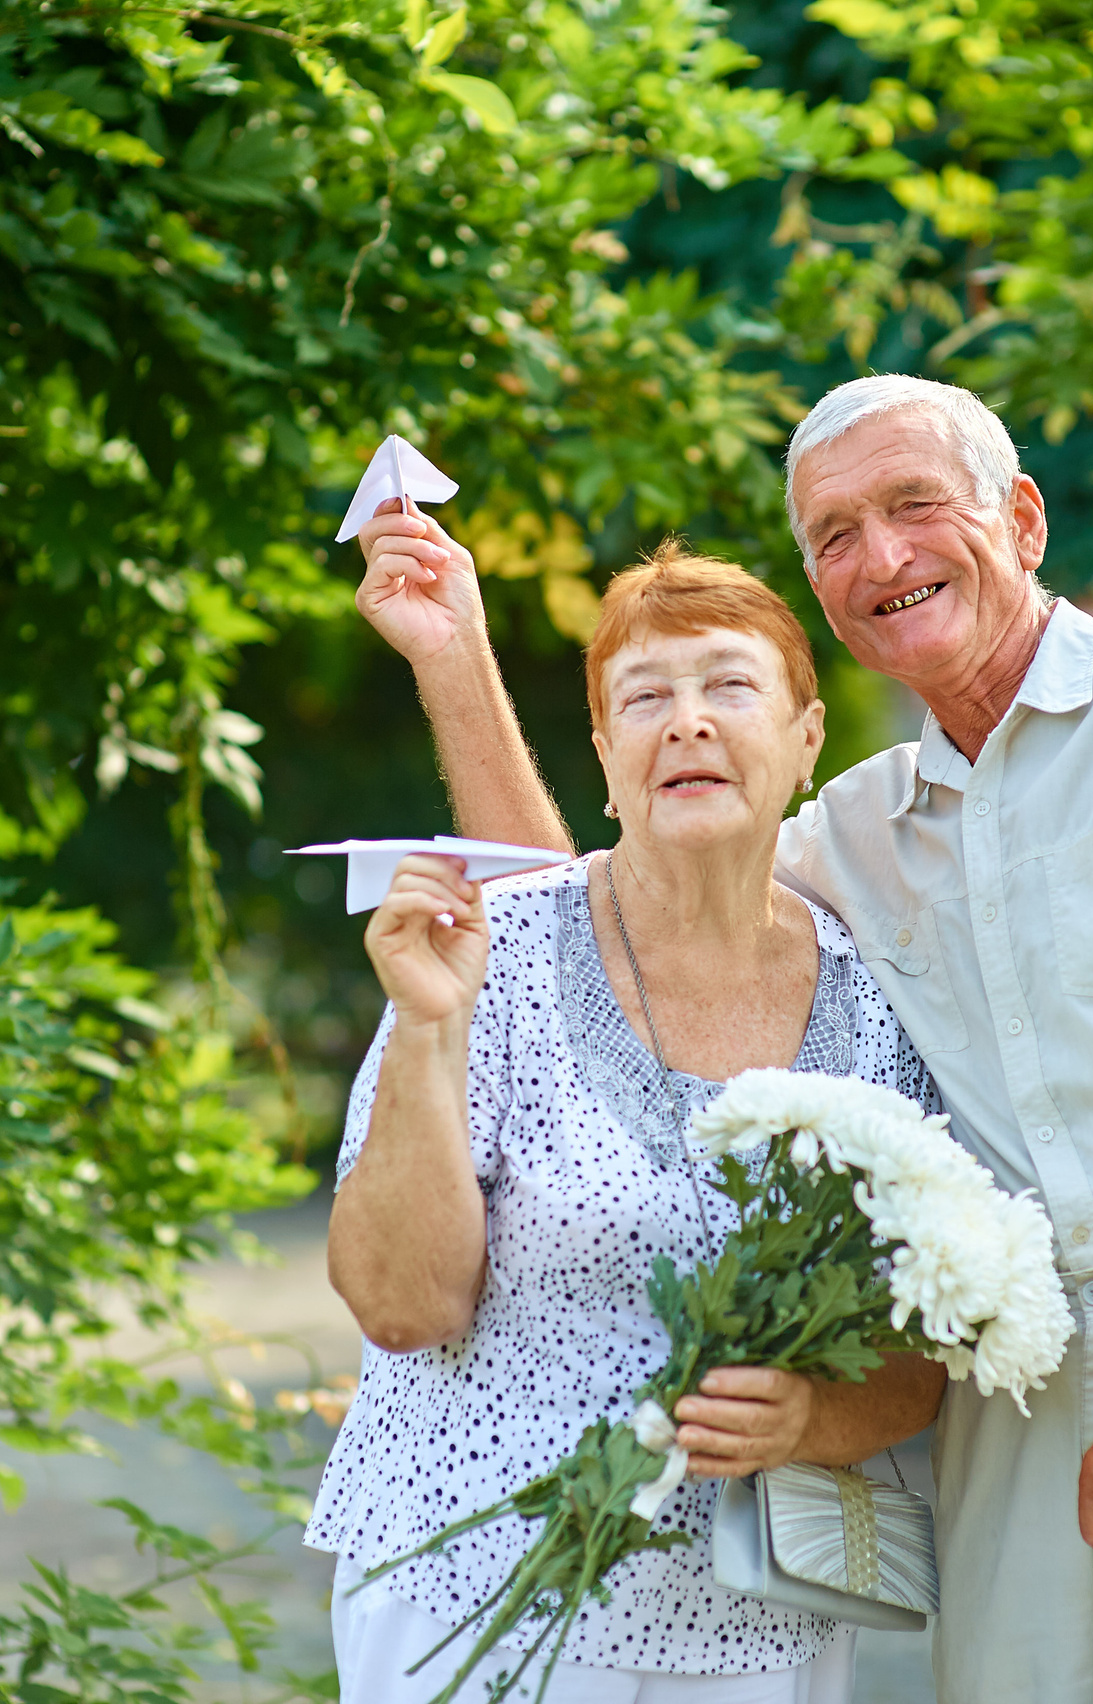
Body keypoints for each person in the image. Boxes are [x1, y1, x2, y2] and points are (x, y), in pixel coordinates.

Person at [349, 377, 1093, 1703]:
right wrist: (456, 653)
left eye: (914, 505)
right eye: (834, 537)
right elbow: (599, 913)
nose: (881, 557)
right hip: (1013, 1382)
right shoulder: (856, 832)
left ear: (1022, 519)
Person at [306, 544, 948, 1703]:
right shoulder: (485, 955)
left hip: (755, 1630)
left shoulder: (883, 1011)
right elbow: (402, 1309)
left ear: (808, 740)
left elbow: (919, 1360)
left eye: (728, 687)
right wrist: (428, 1029)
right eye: (645, 698)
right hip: (472, 1608)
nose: (686, 723)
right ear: (604, 760)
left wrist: (811, 1413)